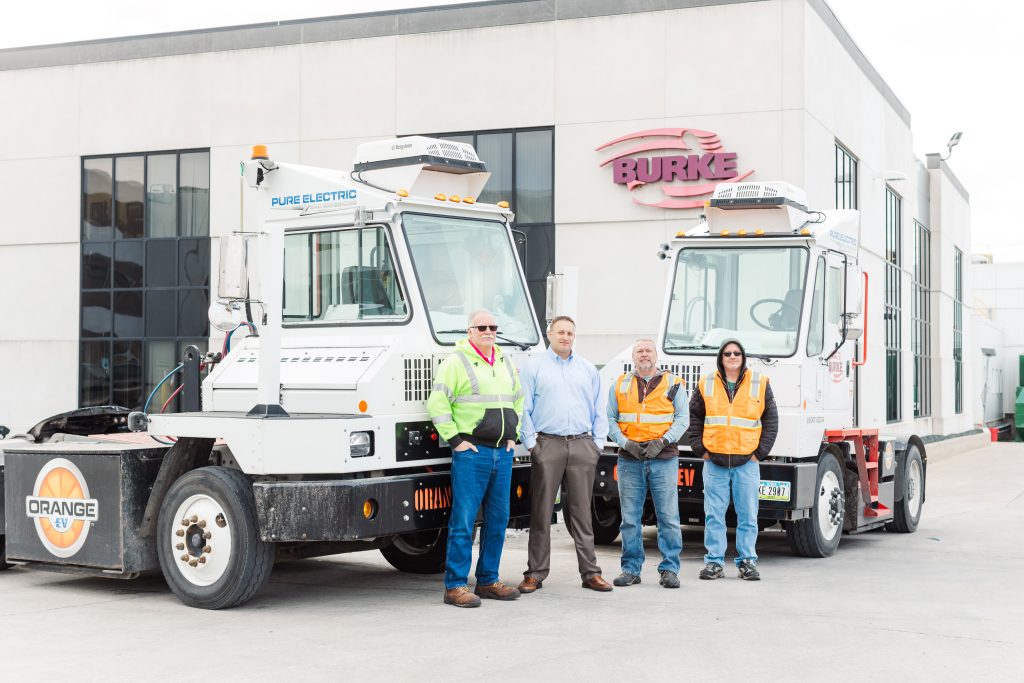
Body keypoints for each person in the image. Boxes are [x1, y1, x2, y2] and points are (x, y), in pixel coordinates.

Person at [427, 310, 525, 608]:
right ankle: (455, 585)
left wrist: (514, 434)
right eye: (481, 327)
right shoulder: (455, 363)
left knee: (498, 520)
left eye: (493, 327)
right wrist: (455, 440)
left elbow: (518, 400)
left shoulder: (506, 361)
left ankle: (487, 580)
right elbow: (438, 403)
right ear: (469, 331)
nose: (488, 331)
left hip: (502, 453)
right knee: (464, 521)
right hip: (473, 454)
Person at [518, 316, 613, 594]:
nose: (565, 336)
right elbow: (524, 407)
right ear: (549, 335)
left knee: (582, 514)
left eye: (570, 332)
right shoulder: (534, 367)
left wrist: (596, 445)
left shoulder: (587, 369)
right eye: (560, 332)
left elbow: (599, 409)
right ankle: (535, 573)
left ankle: (591, 573)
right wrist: (533, 444)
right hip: (548, 445)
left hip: (582, 446)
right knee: (542, 512)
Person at [685, 338, 778, 581]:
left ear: (743, 357)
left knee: (748, 515)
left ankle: (747, 561)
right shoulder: (705, 383)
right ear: (721, 357)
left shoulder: (760, 383)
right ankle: (714, 563)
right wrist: (699, 449)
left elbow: (771, 420)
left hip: (747, 462)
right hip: (714, 462)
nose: (733, 357)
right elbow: (694, 417)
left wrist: (760, 452)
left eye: (737, 353)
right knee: (714, 515)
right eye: (728, 353)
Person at [607, 339, 688, 589]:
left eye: (648, 351)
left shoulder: (674, 384)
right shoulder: (620, 384)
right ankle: (630, 569)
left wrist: (662, 441)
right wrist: (625, 442)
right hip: (629, 459)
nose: (644, 355)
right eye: (639, 351)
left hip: (663, 458)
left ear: (656, 356)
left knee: (668, 517)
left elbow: (682, 420)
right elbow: (610, 419)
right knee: (630, 518)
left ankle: (669, 569)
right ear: (633, 357)